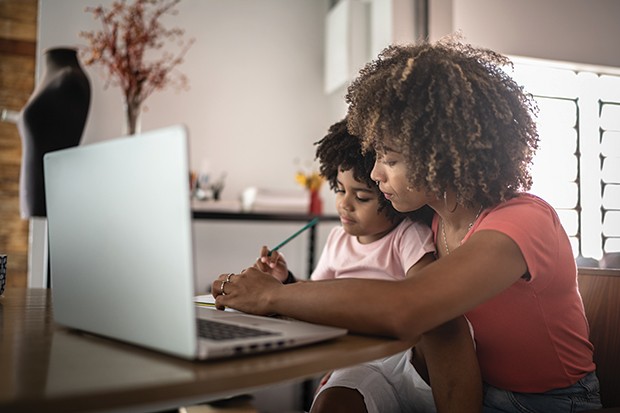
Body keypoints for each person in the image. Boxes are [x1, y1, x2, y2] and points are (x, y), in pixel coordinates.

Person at [213, 35, 602, 412]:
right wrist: (279, 286)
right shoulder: (430, 221)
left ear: (443, 156)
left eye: (391, 159)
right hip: (467, 387)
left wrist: (270, 296)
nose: (378, 175)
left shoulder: (524, 220)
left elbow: (409, 306)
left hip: (545, 403)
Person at [254, 118, 479, 412]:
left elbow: (426, 299)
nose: (344, 204)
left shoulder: (407, 236)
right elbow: (316, 294)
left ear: (389, 200)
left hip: (404, 359)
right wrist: (287, 280)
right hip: (357, 361)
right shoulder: (337, 239)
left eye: (361, 196)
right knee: (330, 404)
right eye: (339, 189)